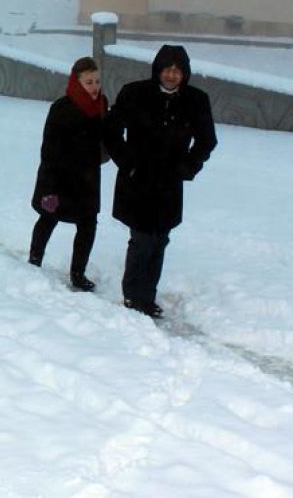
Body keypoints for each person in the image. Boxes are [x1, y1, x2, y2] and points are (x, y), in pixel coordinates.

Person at [103, 44, 217, 319]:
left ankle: (148, 296)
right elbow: (111, 131)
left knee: (160, 239)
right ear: (158, 70)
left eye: (177, 70)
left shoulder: (196, 100)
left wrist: (188, 167)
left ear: (185, 73)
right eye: (167, 69)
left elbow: (207, 140)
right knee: (141, 239)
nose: (171, 75)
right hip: (137, 179)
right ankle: (133, 296)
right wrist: (128, 163)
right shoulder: (135, 93)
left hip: (169, 182)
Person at [28, 57, 107, 293]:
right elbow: (49, 150)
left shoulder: (102, 104)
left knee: (88, 224)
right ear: (76, 82)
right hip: (59, 177)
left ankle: (78, 274)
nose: (94, 87)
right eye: (88, 82)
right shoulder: (61, 108)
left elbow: (106, 137)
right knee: (48, 217)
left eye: (97, 81)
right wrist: (49, 188)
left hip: (88, 178)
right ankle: (34, 261)